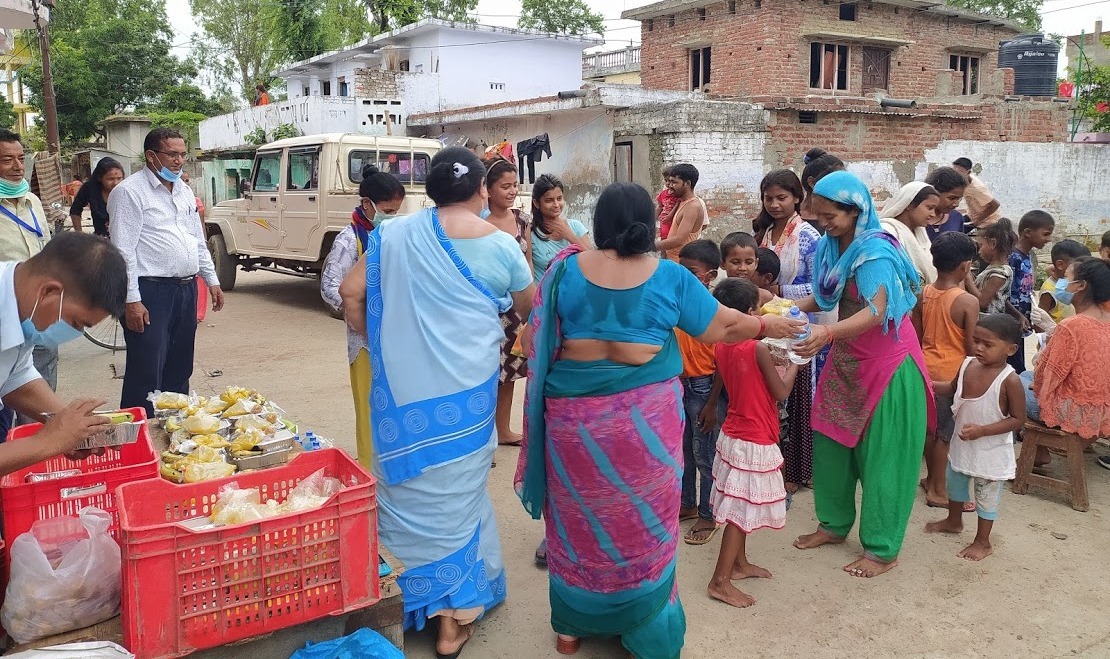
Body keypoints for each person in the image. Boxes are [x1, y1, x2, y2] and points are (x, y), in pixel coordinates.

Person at [514, 182, 802, 658]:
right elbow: (724, 326)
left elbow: (533, 340)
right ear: (650, 225)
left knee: (576, 519)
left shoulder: (563, 273)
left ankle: (570, 627)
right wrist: (766, 324)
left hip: (574, 424)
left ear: (601, 223)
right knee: (641, 522)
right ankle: (643, 626)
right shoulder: (669, 277)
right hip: (641, 427)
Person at [339, 147, 535, 658]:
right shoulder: (501, 243)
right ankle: (452, 620)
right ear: (479, 191)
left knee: (404, 501)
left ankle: (403, 603)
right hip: (466, 403)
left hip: (401, 402)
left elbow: (350, 293)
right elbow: (529, 307)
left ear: (431, 189)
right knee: (458, 501)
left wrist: (384, 346)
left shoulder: (394, 234)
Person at [791, 171, 934, 579]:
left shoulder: (874, 252)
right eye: (817, 216)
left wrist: (826, 332)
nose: (823, 223)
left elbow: (876, 311)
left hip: (888, 365)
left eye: (831, 215)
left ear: (856, 210)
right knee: (830, 442)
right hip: (849, 357)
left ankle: (882, 549)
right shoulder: (834, 247)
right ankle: (833, 525)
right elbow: (824, 296)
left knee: (885, 458)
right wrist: (783, 306)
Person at [109, 128, 224, 416]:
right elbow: (123, 251)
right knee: (147, 369)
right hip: (150, 292)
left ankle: (174, 432)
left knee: (180, 365)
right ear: (151, 156)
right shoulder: (129, 192)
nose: (179, 161)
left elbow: (196, 239)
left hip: (185, 289)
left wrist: (212, 280)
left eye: (182, 154)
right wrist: (131, 300)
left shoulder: (184, 191)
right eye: (172, 154)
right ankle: (140, 438)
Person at [0, 232, 127, 471]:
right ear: (49, 292)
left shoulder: (19, 299)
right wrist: (48, 441)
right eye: (76, 322)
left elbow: (16, 376)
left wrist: (69, 425)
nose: (74, 333)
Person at [706, 277, 797, 609]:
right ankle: (720, 580)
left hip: (734, 432)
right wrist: (796, 363)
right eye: (758, 309)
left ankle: (740, 564)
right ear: (747, 313)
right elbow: (782, 392)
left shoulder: (723, 343)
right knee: (739, 513)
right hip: (753, 437)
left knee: (739, 506)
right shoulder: (756, 347)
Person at [320, 164, 405, 470]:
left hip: (397, 337)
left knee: (397, 407)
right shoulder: (348, 240)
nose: (391, 216)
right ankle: (370, 472)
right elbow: (330, 288)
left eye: (397, 210)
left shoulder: (396, 235)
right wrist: (359, 312)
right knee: (370, 409)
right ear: (367, 204)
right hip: (365, 341)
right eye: (387, 210)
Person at [925, 314, 1025, 561]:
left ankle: (983, 541)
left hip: (989, 452)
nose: (979, 348)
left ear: (1010, 349)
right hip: (962, 445)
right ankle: (953, 520)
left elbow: (1017, 420)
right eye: (976, 341)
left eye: (988, 345)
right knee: (955, 484)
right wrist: (927, 383)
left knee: (986, 495)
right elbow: (951, 389)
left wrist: (982, 431)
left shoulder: (1010, 381)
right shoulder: (967, 364)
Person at [757, 169, 823, 494]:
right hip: (770, 324)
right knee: (773, 392)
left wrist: (779, 291)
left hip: (800, 324)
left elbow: (823, 288)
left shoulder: (810, 238)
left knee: (796, 394)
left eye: (781, 197)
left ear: (797, 197)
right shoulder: (765, 233)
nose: (774, 204)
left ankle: (798, 469)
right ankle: (777, 462)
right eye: (769, 198)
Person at [1023, 257, 1110, 469]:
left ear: (1080, 286)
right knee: (1026, 378)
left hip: (1075, 414)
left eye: (1066, 278)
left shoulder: (1071, 326)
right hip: (1103, 410)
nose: (1061, 283)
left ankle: (1036, 453)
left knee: (1012, 381)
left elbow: (1045, 377)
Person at [914, 232, 979, 509]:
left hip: (926, 369)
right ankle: (939, 490)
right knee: (946, 436)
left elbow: (916, 338)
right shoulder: (966, 301)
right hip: (952, 375)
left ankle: (931, 479)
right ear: (965, 266)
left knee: (932, 431)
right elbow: (972, 346)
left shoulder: (923, 294)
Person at [0, 128, 55, 439]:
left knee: (38, 373)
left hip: (36, 310)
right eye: (7, 160)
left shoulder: (32, 201)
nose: (18, 166)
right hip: (5, 310)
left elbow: (44, 247)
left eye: (21, 158)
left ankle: (33, 438)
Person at [481, 158, 533, 446]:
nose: (512, 191)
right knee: (485, 373)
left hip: (516, 310)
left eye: (514, 185)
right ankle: (481, 435)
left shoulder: (522, 219)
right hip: (488, 309)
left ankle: (503, 430)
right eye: (505, 186)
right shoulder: (477, 222)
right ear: (488, 189)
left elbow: (527, 264)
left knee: (510, 372)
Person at [676, 239, 723, 546]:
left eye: (691, 271)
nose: (684, 277)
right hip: (679, 386)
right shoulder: (676, 303)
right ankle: (687, 503)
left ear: (710, 275)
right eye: (681, 270)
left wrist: (712, 403)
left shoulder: (714, 310)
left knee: (705, 454)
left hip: (705, 387)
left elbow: (723, 362)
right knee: (684, 453)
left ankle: (708, 513)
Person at [1008, 210, 1055, 373]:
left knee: (1018, 360)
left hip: (1020, 322)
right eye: (1046, 234)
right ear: (1028, 232)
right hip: (1010, 322)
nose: (1048, 239)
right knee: (1015, 366)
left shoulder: (1028, 256)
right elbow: (1001, 294)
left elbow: (1026, 291)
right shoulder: (1013, 258)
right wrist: (1018, 315)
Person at [530, 174, 589, 284]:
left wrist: (570, 236)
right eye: (549, 200)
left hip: (573, 296)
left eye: (559, 198)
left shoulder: (576, 227)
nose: (556, 204)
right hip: (546, 298)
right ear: (537, 203)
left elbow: (592, 262)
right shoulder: (531, 234)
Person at [880, 182, 940, 286]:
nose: (933, 214)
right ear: (910, 205)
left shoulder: (920, 233)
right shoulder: (888, 232)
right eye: (929, 208)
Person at [655, 163, 707, 261]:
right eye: (669, 182)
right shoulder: (681, 202)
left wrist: (650, 246)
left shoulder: (692, 206)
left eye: (674, 182)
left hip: (681, 264)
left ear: (687, 183)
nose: (669, 186)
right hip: (674, 261)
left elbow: (679, 240)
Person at [965, 218, 1016, 315]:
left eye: (981, 245)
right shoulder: (993, 268)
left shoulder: (999, 274)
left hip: (988, 321)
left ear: (993, 244)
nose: (979, 251)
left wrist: (968, 279)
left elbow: (982, 302)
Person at [1038, 239, 1090, 325]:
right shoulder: (1049, 291)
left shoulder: (1074, 283)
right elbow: (1040, 322)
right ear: (1060, 265)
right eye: (1078, 266)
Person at [69, 158, 125, 237]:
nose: (115, 183)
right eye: (110, 179)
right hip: (101, 240)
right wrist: (80, 235)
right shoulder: (90, 189)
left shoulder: (127, 191)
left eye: (119, 178)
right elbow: (75, 211)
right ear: (99, 178)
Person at [951, 157, 1003, 229]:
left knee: (956, 231)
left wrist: (978, 221)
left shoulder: (977, 188)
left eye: (960, 172)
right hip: (972, 215)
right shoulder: (962, 182)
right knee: (953, 221)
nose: (956, 175)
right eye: (954, 172)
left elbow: (995, 204)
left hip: (988, 220)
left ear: (968, 173)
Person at [798, 149, 844, 224]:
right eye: (836, 181)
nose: (844, 185)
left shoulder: (846, 214)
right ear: (812, 183)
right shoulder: (788, 216)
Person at [923, 167, 967, 240]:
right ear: (935, 192)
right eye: (952, 198)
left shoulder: (956, 217)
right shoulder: (917, 219)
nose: (956, 204)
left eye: (959, 199)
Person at [656, 166, 679, 240]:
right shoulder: (663, 194)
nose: (668, 183)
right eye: (666, 181)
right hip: (664, 222)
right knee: (664, 239)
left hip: (674, 222)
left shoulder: (678, 195)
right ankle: (663, 252)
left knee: (672, 240)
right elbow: (660, 206)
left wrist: (669, 216)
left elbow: (677, 205)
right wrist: (654, 217)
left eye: (671, 181)